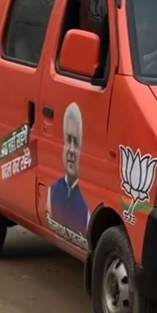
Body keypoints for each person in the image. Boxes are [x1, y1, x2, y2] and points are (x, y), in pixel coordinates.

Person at [47, 103, 90, 241]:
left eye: (76, 142)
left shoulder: (87, 205)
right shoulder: (51, 191)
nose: (71, 150)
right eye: (68, 140)